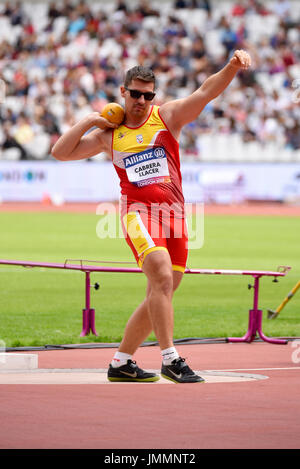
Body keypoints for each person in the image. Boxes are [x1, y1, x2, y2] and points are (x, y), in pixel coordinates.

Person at [51, 49, 251, 383]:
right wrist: (90, 119)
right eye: (135, 94)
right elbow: (60, 152)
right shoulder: (108, 136)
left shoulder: (167, 117)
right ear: (123, 92)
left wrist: (231, 66)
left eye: (148, 95)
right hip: (138, 213)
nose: (141, 100)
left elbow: (206, 91)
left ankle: (121, 362)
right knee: (160, 275)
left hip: (174, 215)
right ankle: (171, 358)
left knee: (163, 290)